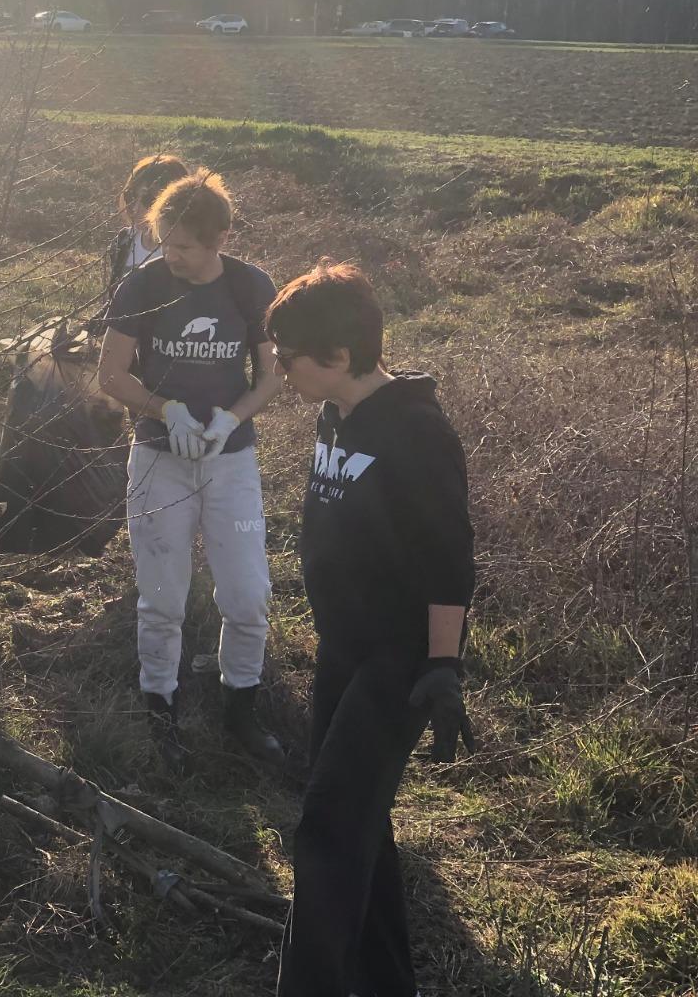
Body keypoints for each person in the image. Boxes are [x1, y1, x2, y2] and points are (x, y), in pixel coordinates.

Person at [265, 261, 476, 997]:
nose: (278, 367)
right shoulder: (336, 414)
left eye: (286, 355)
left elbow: (449, 557)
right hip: (342, 650)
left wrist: (443, 665)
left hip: (400, 662)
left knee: (328, 825)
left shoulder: (417, 432)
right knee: (362, 826)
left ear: (339, 358)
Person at [97, 168, 285, 769]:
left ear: (220, 238)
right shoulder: (142, 286)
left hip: (231, 462)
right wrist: (164, 410)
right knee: (161, 596)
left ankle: (241, 707)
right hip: (158, 460)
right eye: (162, 241)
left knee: (248, 594)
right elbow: (112, 374)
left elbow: (272, 375)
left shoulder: (253, 288)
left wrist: (231, 419)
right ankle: (161, 707)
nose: (168, 255)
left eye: (182, 246)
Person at [101, 154, 191, 312]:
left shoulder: (189, 251)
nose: (135, 208)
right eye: (131, 196)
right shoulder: (124, 242)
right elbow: (111, 306)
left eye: (148, 200)